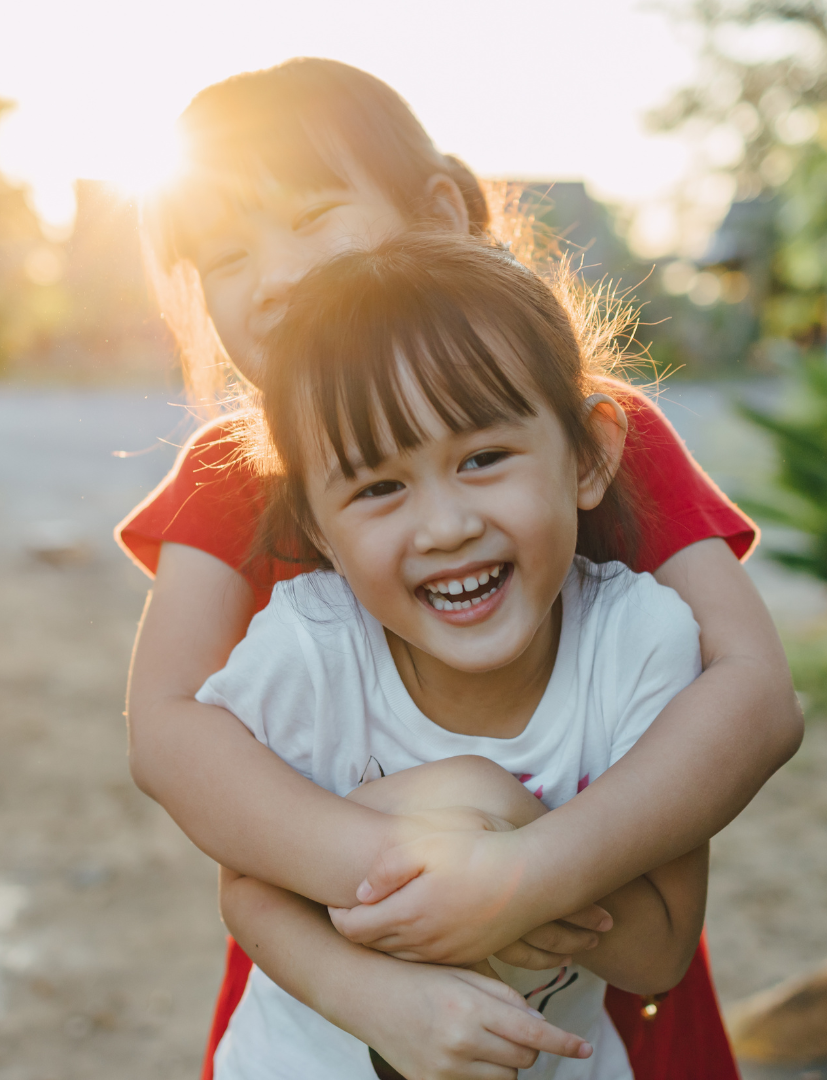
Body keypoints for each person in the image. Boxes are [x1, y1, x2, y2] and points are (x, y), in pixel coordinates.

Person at [117, 58, 802, 1079]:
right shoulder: (236, 473)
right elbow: (170, 731)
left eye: (311, 217)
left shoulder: (582, 427)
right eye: (226, 252)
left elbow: (754, 693)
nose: (274, 272)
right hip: (346, 963)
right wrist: (408, 888)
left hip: (600, 960)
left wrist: (525, 872)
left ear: (439, 211)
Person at [197, 231, 711, 1079]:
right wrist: (377, 999)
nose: (445, 527)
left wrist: (506, 830)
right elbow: (248, 886)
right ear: (319, 527)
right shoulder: (310, 649)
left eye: (483, 458)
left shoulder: (639, 645)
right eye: (379, 486)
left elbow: (659, 953)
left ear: (588, 455)